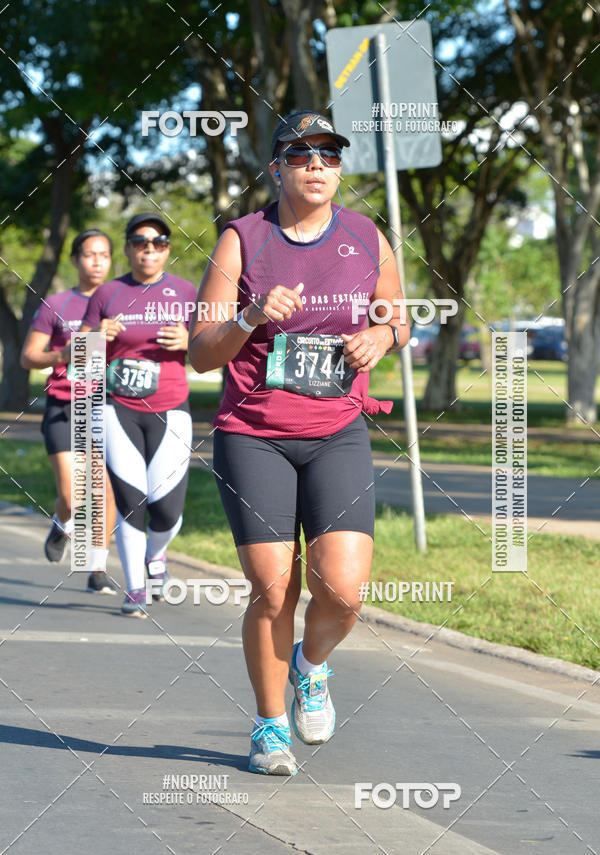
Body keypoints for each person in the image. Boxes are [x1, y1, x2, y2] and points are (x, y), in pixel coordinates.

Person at [188, 110, 409, 775]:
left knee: (342, 592)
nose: (318, 166)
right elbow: (202, 351)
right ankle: (268, 725)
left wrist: (384, 337)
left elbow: (394, 313)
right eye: (302, 154)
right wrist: (252, 316)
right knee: (273, 586)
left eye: (330, 156)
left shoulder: (368, 237)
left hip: (336, 433)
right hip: (254, 435)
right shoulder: (242, 240)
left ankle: (311, 670)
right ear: (276, 167)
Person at [80, 213, 196, 618]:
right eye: (140, 241)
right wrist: (95, 338)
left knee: (167, 508)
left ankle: (156, 556)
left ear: (167, 249)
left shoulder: (186, 292)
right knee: (132, 499)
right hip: (118, 408)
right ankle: (135, 588)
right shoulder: (107, 293)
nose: (149, 248)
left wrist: (187, 341)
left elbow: (210, 352)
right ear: (128, 248)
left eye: (159, 242)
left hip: (171, 408)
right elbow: (82, 358)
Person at [20, 229, 118, 594]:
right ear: (76, 260)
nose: (97, 261)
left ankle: (97, 568)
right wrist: (66, 353)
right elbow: (28, 357)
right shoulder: (57, 305)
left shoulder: (122, 300)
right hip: (64, 405)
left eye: (104, 255)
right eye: (89, 254)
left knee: (105, 491)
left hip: (106, 405)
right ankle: (62, 524)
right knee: (74, 496)